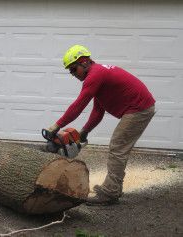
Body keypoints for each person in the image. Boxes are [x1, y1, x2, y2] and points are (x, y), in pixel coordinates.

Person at [47, 45, 155, 205]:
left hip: (139, 108)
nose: (73, 74)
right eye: (70, 71)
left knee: (118, 147)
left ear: (84, 63)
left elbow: (78, 105)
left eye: (73, 69)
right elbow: (98, 110)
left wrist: (56, 126)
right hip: (138, 107)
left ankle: (110, 193)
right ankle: (113, 189)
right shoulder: (98, 74)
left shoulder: (95, 75)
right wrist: (84, 131)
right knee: (118, 147)